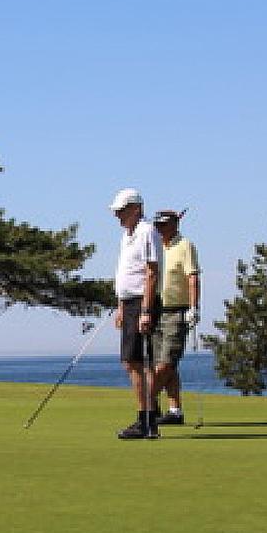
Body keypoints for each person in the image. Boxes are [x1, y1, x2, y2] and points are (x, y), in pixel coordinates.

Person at [110, 188, 163, 440]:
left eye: (121, 211)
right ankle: (148, 419)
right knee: (134, 362)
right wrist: (121, 306)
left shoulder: (147, 231)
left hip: (142, 303)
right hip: (129, 303)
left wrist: (145, 310)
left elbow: (152, 272)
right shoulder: (126, 235)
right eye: (116, 211)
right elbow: (126, 273)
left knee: (136, 362)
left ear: (136, 209)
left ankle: (146, 421)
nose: (118, 216)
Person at [151, 209, 201, 426]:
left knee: (166, 364)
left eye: (163, 225)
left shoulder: (185, 245)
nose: (159, 229)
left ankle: (146, 402)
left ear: (174, 224)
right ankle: (175, 411)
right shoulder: (156, 246)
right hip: (154, 311)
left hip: (177, 311)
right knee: (161, 365)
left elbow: (193, 278)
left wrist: (193, 307)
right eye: (158, 225)